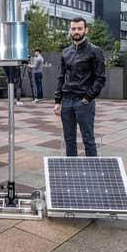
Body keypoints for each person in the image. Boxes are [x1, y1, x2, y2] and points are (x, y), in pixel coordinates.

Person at [53, 17, 106, 156]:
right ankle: (72, 171)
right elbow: (61, 76)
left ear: (86, 30)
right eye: (73, 28)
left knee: (88, 139)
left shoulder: (95, 51)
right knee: (69, 139)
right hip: (67, 102)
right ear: (70, 30)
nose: (76, 31)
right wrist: (58, 101)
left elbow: (100, 78)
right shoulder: (65, 52)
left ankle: (92, 172)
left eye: (79, 28)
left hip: (83, 102)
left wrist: (88, 98)